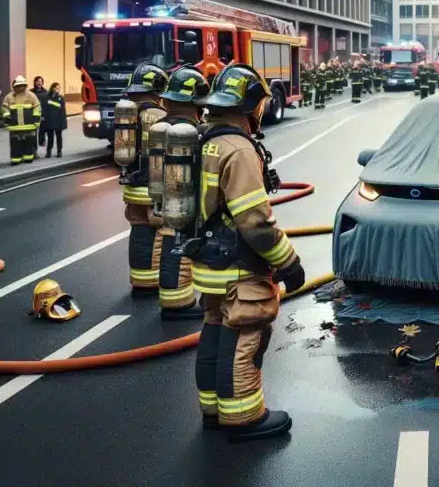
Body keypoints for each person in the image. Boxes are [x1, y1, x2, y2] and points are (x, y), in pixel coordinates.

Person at [190, 64, 305, 441]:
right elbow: (255, 222)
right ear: (251, 105)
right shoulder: (238, 150)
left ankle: (214, 411)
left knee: (216, 333)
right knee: (246, 337)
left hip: (210, 263)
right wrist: (288, 263)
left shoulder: (206, 140)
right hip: (238, 265)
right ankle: (243, 418)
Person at [155, 66, 208, 319]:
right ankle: (177, 302)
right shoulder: (192, 133)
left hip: (160, 196)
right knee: (179, 241)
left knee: (168, 237)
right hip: (182, 199)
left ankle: (171, 296)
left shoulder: (159, 126)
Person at [121, 63, 169, 296]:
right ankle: (154, 282)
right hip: (155, 185)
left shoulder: (128, 114)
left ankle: (140, 282)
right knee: (160, 230)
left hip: (133, 184)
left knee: (138, 227)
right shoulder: (161, 115)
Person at [1, 76, 41, 165]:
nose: (21, 88)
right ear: (15, 86)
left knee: (28, 143)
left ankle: (28, 158)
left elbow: (37, 107)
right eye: (19, 86)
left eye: (22, 85)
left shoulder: (31, 95)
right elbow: (4, 108)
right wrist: (7, 118)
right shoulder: (9, 97)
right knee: (15, 144)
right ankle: (16, 160)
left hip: (28, 126)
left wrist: (36, 119)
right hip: (15, 126)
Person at [41, 82, 67, 158]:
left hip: (58, 121)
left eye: (59, 88)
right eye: (57, 88)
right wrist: (43, 118)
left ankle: (59, 151)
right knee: (50, 137)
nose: (58, 89)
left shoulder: (61, 98)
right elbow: (44, 109)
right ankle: (49, 151)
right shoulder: (46, 98)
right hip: (49, 121)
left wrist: (63, 121)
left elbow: (63, 111)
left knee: (59, 137)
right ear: (53, 88)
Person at [32, 76, 48, 156]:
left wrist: (44, 115)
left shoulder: (46, 92)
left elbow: (46, 105)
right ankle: (34, 151)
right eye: (38, 81)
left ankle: (42, 144)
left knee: (42, 132)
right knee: (33, 134)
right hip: (33, 116)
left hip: (42, 116)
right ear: (35, 82)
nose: (39, 83)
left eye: (41, 81)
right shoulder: (31, 93)